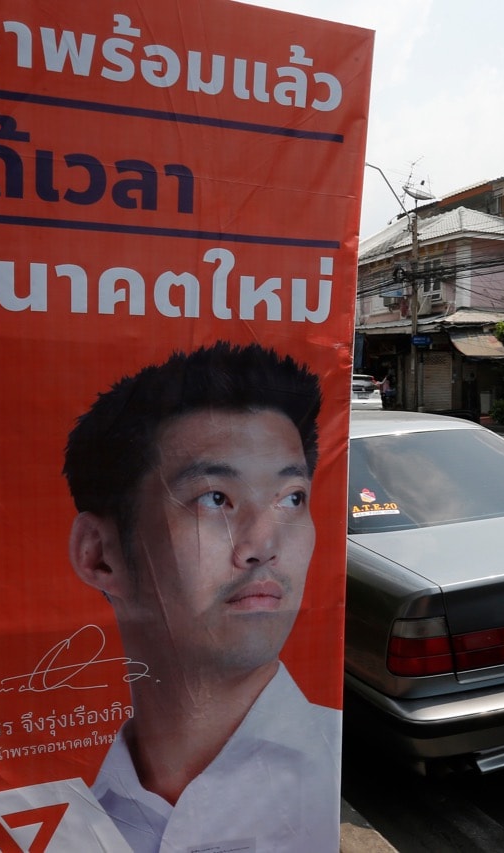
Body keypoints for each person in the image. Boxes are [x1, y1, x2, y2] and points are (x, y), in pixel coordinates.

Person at [62, 341, 341, 853]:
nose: (263, 547)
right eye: (215, 499)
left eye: (291, 499)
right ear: (99, 555)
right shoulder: (47, 812)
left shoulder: (337, 763)